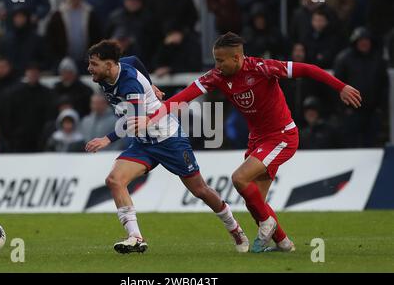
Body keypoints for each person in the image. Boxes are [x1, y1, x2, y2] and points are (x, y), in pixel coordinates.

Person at [136, 32, 361, 253]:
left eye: (221, 60)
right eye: (216, 60)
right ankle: (284, 243)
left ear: (237, 58)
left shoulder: (262, 68)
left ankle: (266, 224)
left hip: (281, 136)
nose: (218, 65)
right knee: (256, 202)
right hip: (257, 140)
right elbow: (182, 97)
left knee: (239, 179)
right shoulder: (217, 76)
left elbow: (307, 69)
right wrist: (150, 117)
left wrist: (340, 86)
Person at [84, 40, 249, 254]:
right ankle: (135, 237)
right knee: (114, 180)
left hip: (168, 140)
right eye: (90, 63)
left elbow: (135, 121)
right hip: (144, 143)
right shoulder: (117, 67)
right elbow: (135, 60)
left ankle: (235, 228)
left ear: (109, 64)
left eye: (94, 64)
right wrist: (151, 84)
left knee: (200, 190)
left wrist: (107, 139)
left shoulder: (129, 85)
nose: (89, 69)